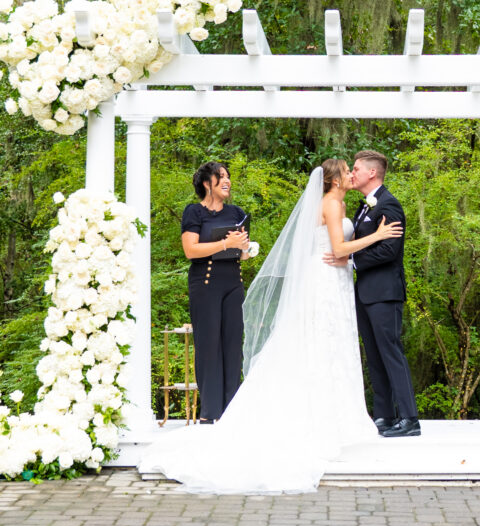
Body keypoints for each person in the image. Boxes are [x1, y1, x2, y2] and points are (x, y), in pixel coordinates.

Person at [138, 159, 402, 493]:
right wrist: (377, 236)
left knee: (316, 344)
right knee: (322, 343)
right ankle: (311, 419)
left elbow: (314, 247)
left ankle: (325, 414)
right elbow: (336, 247)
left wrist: (244, 249)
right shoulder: (332, 204)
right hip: (318, 281)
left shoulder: (331, 203)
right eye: (347, 170)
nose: (352, 174)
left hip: (322, 279)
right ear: (333, 180)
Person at [347, 149, 420, 437]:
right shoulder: (364, 206)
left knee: (391, 352)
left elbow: (390, 250)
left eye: (356, 169)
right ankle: (384, 415)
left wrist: (352, 261)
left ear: (371, 173)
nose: (352, 173)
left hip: (384, 292)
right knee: (374, 355)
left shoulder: (389, 206)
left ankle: (410, 418)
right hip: (365, 292)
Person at [181, 162, 250, 423]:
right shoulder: (194, 212)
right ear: (207, 183)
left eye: (228, 176)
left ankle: (232, 412)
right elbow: (190, 250)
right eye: (221, 176)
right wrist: (225, 243)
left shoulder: (236, 212)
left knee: (233, 345)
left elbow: (242, 254)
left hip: (233, 280)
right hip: (205, 282)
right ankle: (210, 414)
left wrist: (244, 247)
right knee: (209, 346)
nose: (227, 180)